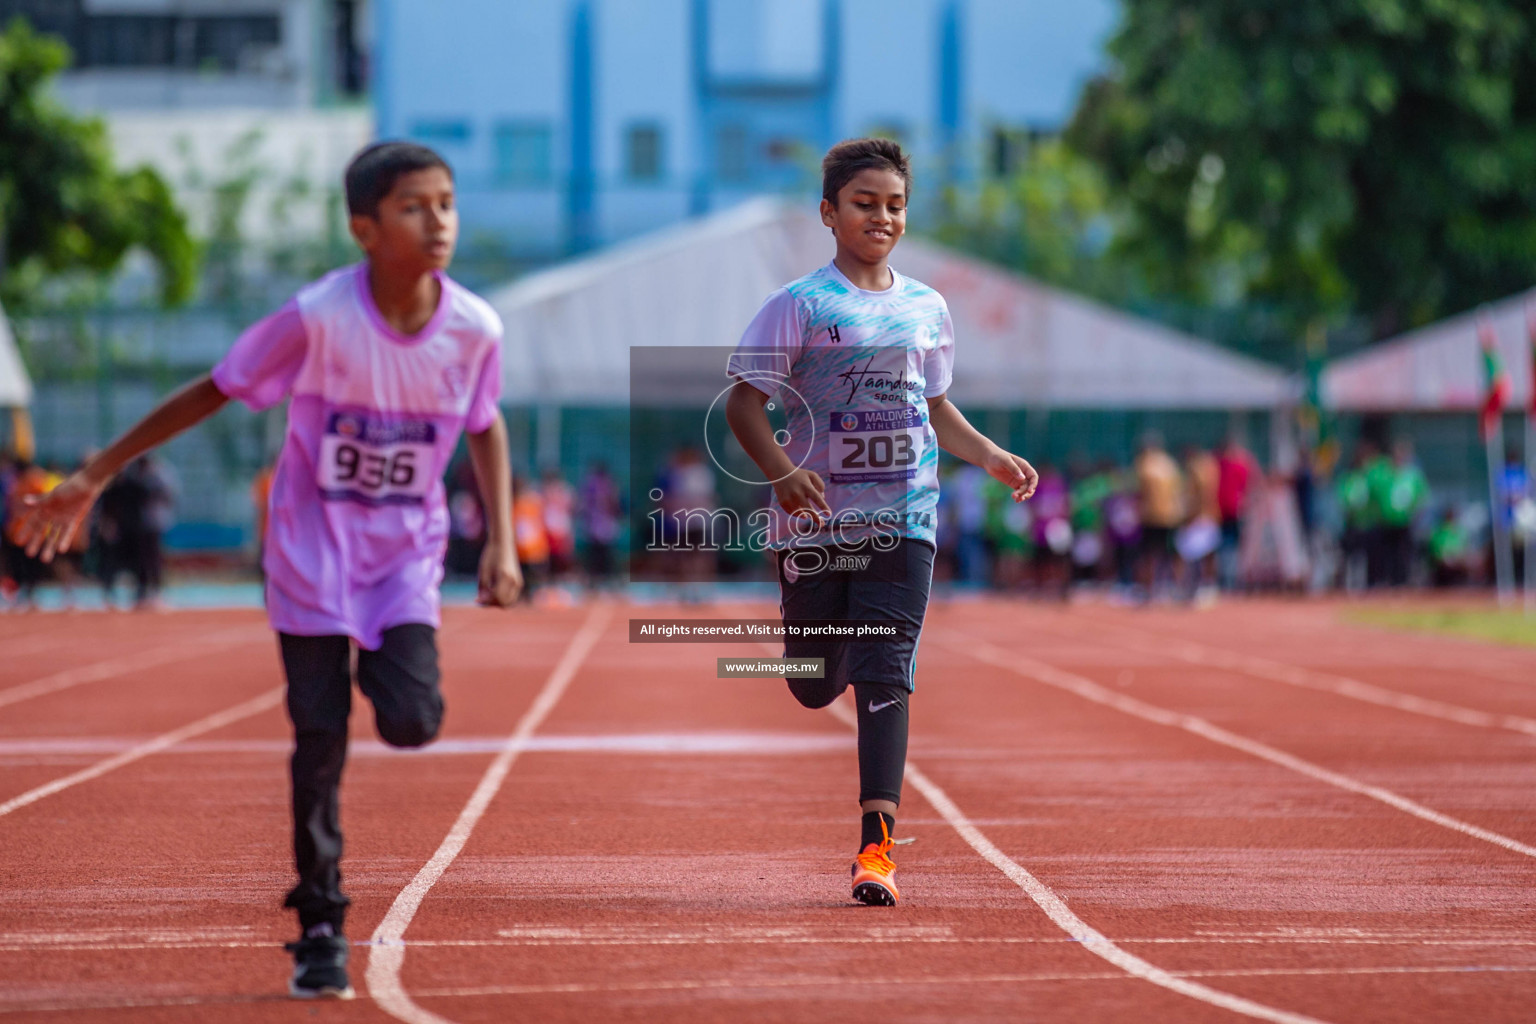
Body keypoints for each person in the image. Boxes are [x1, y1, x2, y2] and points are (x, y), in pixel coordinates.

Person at [16, 141, 522, 1000]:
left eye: (446, 203)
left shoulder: (475, 328)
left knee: (411, 720)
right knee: (318, 740)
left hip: (402, 557)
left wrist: (503, 542)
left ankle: (384, 684)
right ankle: (320, 921)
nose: (437, 221)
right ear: (364, 228)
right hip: (310, 555)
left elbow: (485, 423)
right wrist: (98, 471)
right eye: (412, 206)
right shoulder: (320, 316)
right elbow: (216, 386)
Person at [724, 138, 1037, 905]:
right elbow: (741, 403)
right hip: (818, 526)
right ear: (829, 213)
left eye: (895, 204)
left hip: (905, 520)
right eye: (866, 203)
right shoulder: (799, 305)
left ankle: (876, 851)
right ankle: (819, 665)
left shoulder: (927, 307)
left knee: (884, 674)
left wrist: (990, 455)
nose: (883, 217)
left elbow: (933, 408)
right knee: (811, 682)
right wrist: (783, 474)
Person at [1134, 431, 1183, 600]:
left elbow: (1140, 491)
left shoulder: (1144, 464)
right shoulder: (1170, 464)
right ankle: (1176, 589)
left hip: (1151, 516)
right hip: (1171, 516)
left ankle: (1149, 590)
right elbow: (1178, 490)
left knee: (1148, 555)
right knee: (1171, 554)